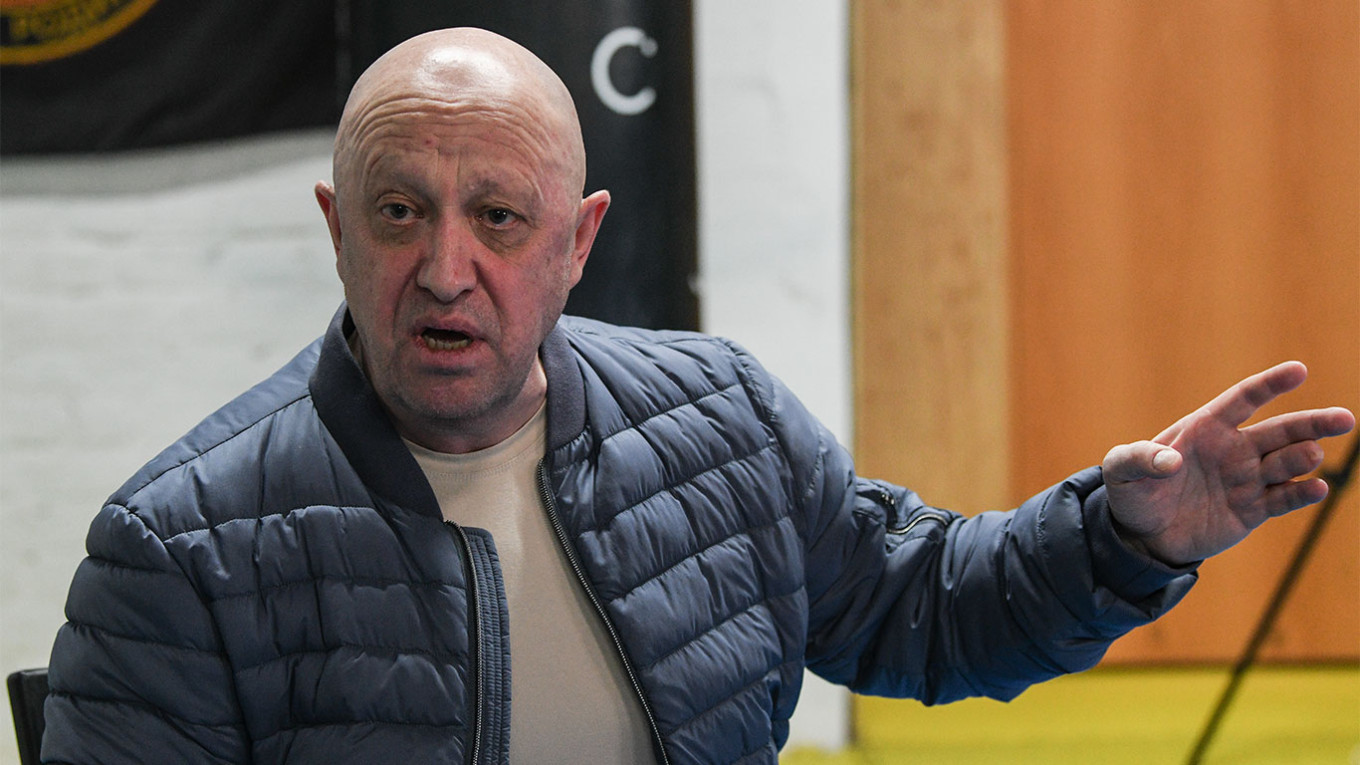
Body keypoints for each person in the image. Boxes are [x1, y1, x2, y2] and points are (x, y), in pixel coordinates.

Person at [41, 27, 1354, 765]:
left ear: (580, 241)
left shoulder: (720, 424)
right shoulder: (180, 550)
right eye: (399, 211)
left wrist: (1118, 540)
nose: (444, 268)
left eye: (499, 217)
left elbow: (924, 609)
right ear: (337, 231)